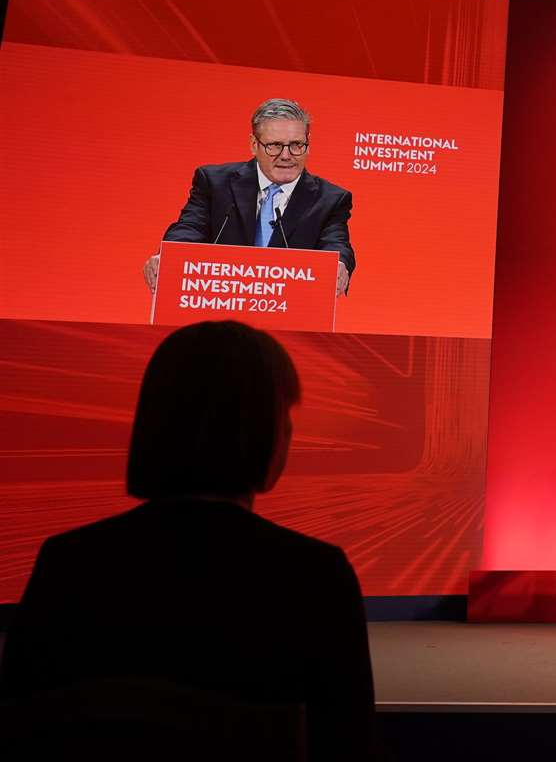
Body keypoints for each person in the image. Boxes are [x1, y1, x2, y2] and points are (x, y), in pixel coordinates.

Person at [0, 321, 377, 759]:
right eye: (285, 413)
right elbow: (349, 746)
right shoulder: (316, 579)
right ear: (264, 429)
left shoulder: (67, 565)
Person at [143, 98, 355, 297]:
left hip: (287, 310)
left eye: (297, 145)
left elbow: (336, 244)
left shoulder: (330, 199)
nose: (287, 155)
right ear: (254, 144)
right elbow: (190, 227)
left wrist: (338, 265)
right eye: (275, 145)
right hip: (220, 303)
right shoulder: (215, 183)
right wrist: (169, 257)